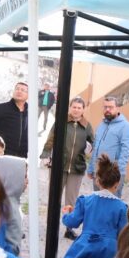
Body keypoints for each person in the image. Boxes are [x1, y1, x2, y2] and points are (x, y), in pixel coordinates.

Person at [40, 96, 94, 239]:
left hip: (77, 168)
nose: (76, 110)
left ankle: (69, 229)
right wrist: (45, 154)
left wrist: (91, 149)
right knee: (54, 197)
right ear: (70, 108)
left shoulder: (87, 126)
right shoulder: (62, 121)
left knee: (71, 200)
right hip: (58, 166)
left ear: (83, 109)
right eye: (74, 107)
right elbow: (51, 138)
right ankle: (51, 226)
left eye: (79, 107)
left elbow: (93, 143)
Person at [87, 95, 129, 197]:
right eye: (105, 107)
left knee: (112, 205)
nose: (107, 110)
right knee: (97, 201)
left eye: (111, 107)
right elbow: (95, 148)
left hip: (113, 174)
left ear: (117, 108)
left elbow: (126, 151)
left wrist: (116, 173)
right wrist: (91, 168)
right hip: (98, 172)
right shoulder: (101, 125)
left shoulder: (125, 126)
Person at [0, 82, 30, 157]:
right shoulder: (0, 108)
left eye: (23, 90)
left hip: (22, 157)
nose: (19, 91)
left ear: (28, 95)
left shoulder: (31, 112)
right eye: (17, 89)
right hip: (2, 154)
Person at [0, 155, 28, 256]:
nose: (27, 181)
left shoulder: (12, 201)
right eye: (24, 176)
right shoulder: (4, 206)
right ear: (11, 177)